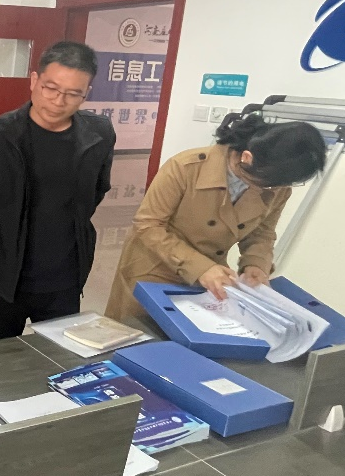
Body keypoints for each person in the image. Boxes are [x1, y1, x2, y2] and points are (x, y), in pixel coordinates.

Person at [0, 41, 115, 341]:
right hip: (5, 278)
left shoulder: (99, 134)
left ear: (87, 93)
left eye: (73, 94)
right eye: (50, 88)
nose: (58, 101)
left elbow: (97, 190)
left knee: (57, 358)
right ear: (34, 81)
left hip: (64, 278)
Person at [105, 113, 327, 322]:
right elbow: (148, 225)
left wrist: (256, 265)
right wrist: (199, 267)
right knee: (138, 337)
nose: (274, 190)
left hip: (211, 279)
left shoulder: (276, 186)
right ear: (247, 158)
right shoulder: (186, 167)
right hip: (154, 270)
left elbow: (262, 232)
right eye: (267, 183)